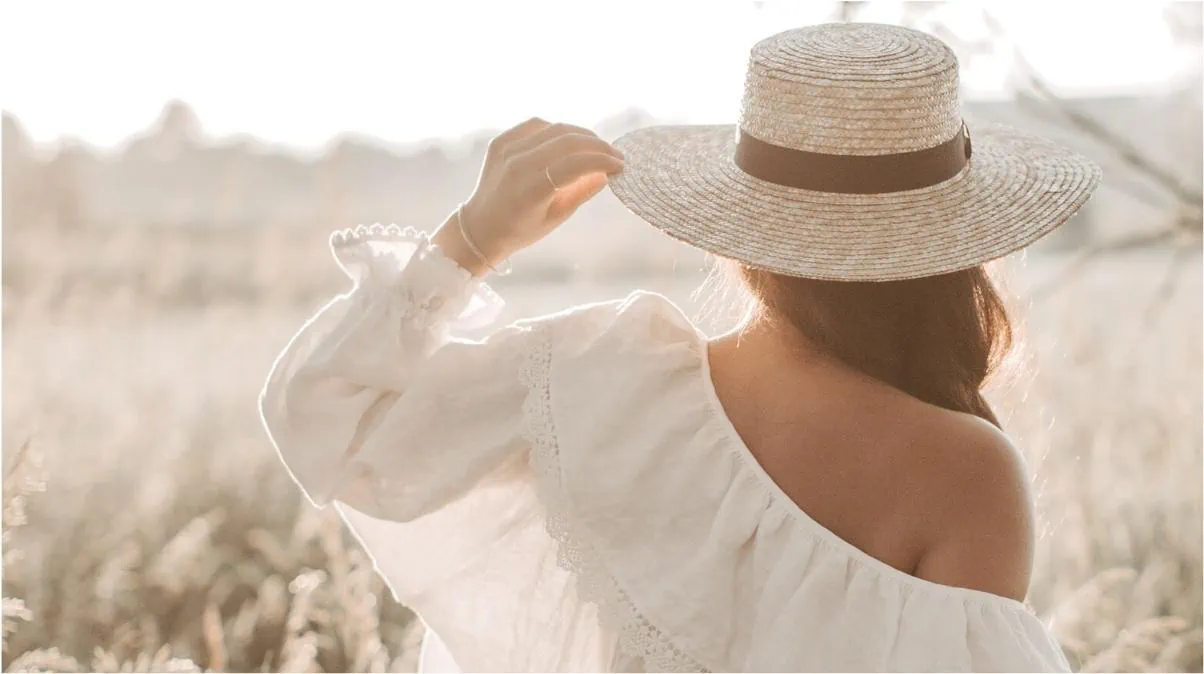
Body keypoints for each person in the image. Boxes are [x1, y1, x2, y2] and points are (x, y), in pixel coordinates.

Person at [260, 22, 1100, 672]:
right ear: (955, 246)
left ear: (741, 224)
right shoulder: (967, 475)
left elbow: (321, 419)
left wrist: (472, 240)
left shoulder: (600, 380)